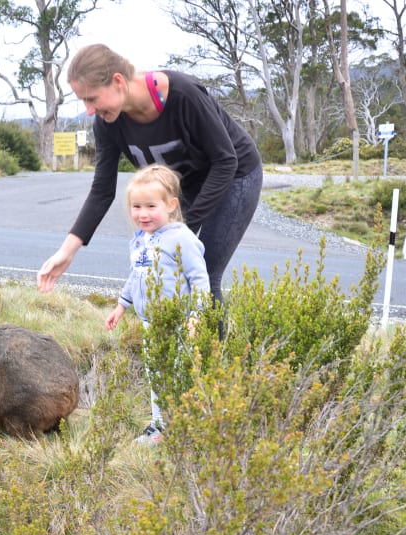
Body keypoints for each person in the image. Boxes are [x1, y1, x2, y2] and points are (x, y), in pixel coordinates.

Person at [37, 43, 263, 336]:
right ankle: (177, 354)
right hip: (180, 188)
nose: (89, 110)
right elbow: (102, 191)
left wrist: (180, 229)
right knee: (168, 271)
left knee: (203, 269)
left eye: (91, 98)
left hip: (235, 176)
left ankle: (213, 367)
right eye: (83, 102)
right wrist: (66, 252)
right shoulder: (108, 124)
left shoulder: (182, 94)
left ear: (118, 81)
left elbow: (225, 160)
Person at [105, 164, 210, 445]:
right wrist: (121, 305)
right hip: (151, 322)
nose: (142, 214)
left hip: (178, 322)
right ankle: (160, 427)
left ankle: (184, 427)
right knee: (156, 374)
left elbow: (200, 278)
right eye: (136, 206)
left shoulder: (181, 238)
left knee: (177, 374)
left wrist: (196, 315)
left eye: (151, 206)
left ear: (171, 205)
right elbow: (136, 275)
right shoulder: (140, 240)